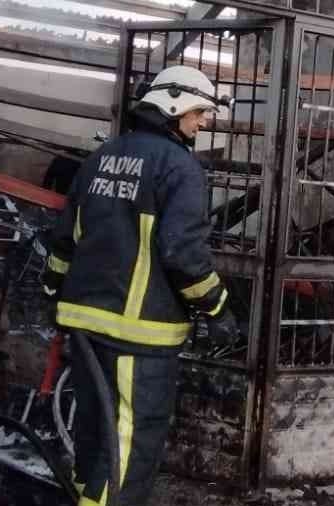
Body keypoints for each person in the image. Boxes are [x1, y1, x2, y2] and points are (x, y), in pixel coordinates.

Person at [42, 65, 239, 506]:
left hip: (83, 323)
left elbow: (64, 238)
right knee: (131, 438)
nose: (204, 121)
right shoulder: (179, 168)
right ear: (173, 103)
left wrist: (54, 291)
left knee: (94, 429)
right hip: (139, 333)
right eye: (200, 111)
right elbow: (182, 253)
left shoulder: (102, 157)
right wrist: (217, 309)